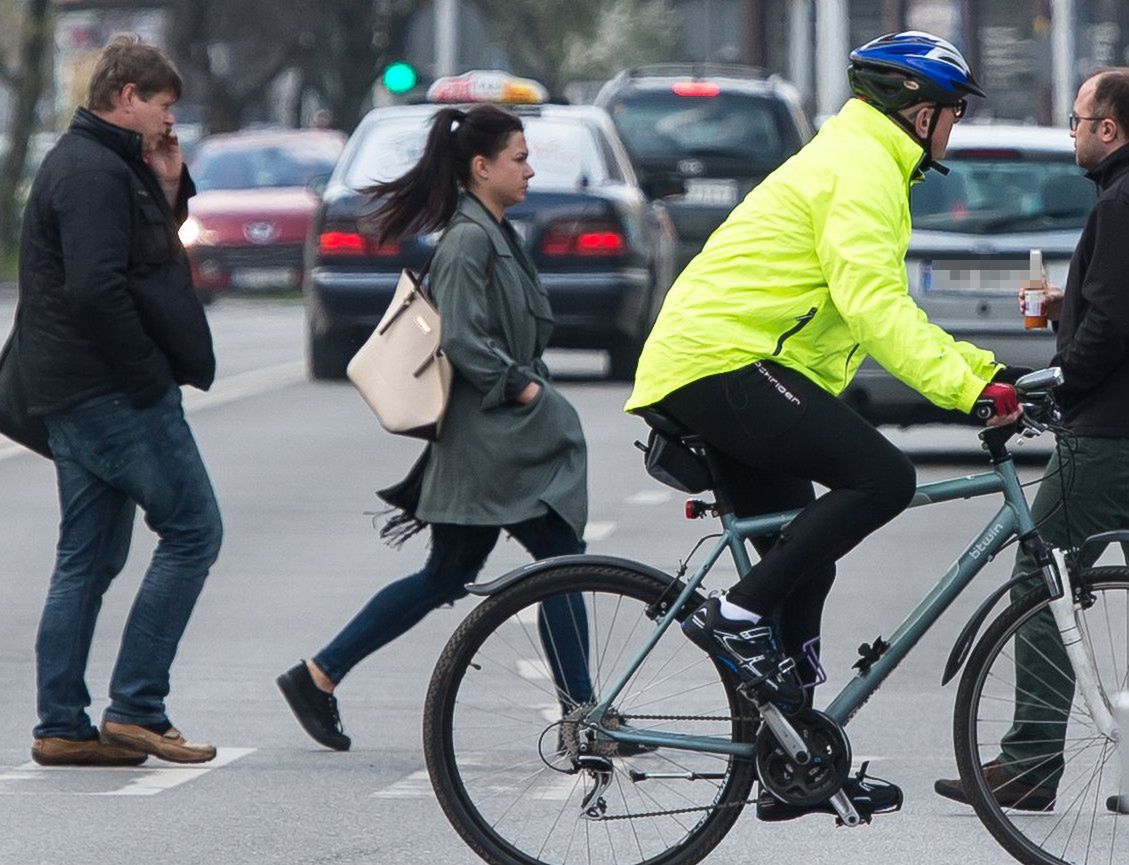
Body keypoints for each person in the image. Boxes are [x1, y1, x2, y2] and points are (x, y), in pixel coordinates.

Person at [625, 31, 1021, 819]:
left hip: (724, 360)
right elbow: (876, 306)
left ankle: (793, 759)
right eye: (952, 112)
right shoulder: (862, 168)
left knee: (806, 563)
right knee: (884, 477)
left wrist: (980, 373)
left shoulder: (861, 155)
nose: (955, 128)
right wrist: (972, 381)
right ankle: (736, 615)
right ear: (918, 112)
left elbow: (861, 306)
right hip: (721, 360)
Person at [277, 104, 591, 751]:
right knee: (562, 565)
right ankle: (583, 715)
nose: (530, 169)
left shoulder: (494, 231)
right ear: (482, 167)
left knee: (446, 576)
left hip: (492, 440)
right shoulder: (469, 239)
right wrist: (522, 385)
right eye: (519, 157)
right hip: (493, 441)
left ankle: (318, 675)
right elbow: (466, 341)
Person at [10, 34, 222, 767]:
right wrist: (144, 378)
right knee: (195, 528)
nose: (171, 123)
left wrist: (166, 187)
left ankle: (63, 724)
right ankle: (137, 705)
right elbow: (97, 285)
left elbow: (138, 261)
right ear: (127, 96)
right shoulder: (93, 171)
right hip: (108, 391)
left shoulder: (100, 164)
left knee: (88, 558)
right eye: (164, 106)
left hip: (73, 390)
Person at [934, 68, 1129, 812]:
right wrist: (1067, 307)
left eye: (1078, 119)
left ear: (1107, 129)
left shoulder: (1118, 202)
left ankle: (1028, 761)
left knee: (1040, 579)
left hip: (1107, 432)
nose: (1071, 133)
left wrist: (1055, 379)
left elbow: (1113, 325)